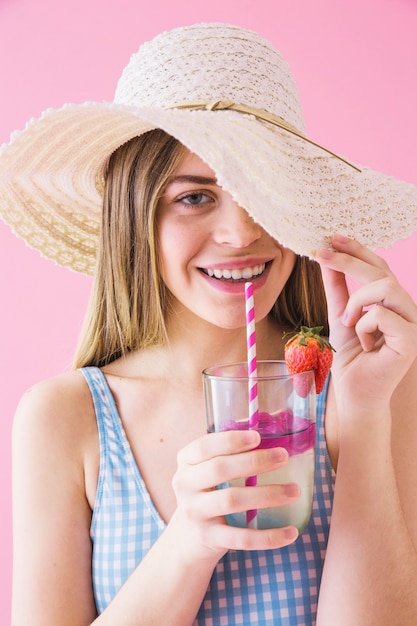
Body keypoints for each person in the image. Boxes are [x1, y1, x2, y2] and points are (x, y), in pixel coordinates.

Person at [2, 22, 417, 626]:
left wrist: (364, 416)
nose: (241, 233)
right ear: (136, 218)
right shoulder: (66, 419)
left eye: (262, 193)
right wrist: (188, 543)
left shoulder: (374, 384)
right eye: (195, 197)